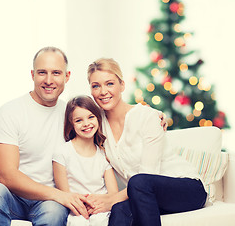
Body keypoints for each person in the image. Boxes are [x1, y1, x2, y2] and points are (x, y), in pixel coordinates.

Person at [0, 47, 93, 226]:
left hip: (49, 204)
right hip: (12, 198)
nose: (48, 80)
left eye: (56, 73)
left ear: (67, 76)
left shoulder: (72, 115)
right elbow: (6, 176)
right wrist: (60, 195)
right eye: (42, 72)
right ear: (32, 74)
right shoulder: (9, 112)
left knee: (53, 213)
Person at [85, 58, 208, 226]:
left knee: (138, 181)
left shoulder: (146, 117)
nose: (103, 91)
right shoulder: (97, 126)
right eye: (96, 86)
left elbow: (148, 174)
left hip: (187, 189)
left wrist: (110, 199)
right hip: (143, 195)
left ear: (122, 85)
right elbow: (74, 117)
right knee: (119, 210)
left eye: (109, 84)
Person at [53, 95, 119, 226]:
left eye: (91, 117)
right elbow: (65, 194)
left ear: (98, 118)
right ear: (71, 124)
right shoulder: (62, 153)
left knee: (100, 220)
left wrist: (97, 204)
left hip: (101, 209)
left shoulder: (103, 154)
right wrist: (82, 206)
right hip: (75, 209)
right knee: (78, 222)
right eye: (79, 120)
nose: (86, 124)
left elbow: (113, 194)